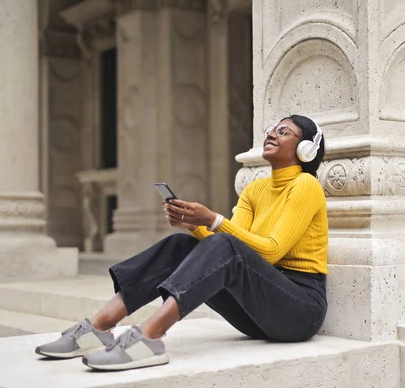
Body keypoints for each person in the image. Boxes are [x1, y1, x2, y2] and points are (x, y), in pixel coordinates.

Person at [35, 115, 328, 371]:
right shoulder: (256, 189)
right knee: (178, 244)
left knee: (224, 244)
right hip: (257, 313)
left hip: (299, 311)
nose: (271, 134)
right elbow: (234, 244)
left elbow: (272, 251)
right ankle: (98, 327)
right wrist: (195, 226)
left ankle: (149, 337)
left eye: (283, 132)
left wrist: (212, 219)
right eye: (271, 129)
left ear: (305, 149)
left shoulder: (305, 185)